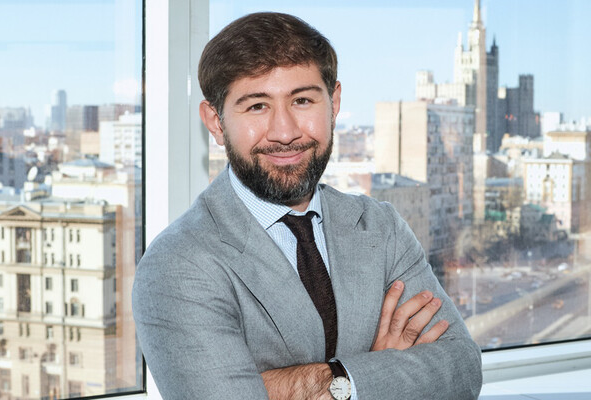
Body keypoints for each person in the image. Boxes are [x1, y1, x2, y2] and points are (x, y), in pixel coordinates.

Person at [132, 12, 482, 400]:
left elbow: (462, 370)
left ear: (334, 103)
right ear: (215, 122)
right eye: (257, 106)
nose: (285, 132)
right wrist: (381, 371)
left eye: (302, 100)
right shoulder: (178, 263)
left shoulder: (380, 227)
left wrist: (329, 382)